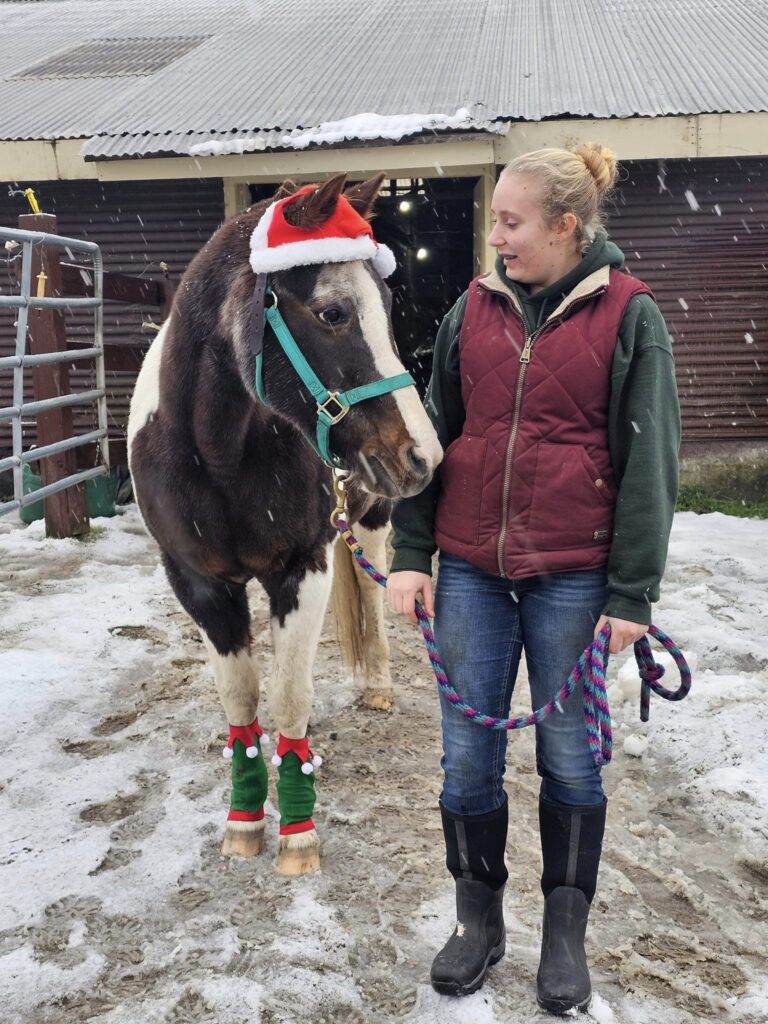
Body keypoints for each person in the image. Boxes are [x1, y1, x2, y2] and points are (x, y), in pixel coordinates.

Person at [386, 144, 680, 1013]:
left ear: (567, 227)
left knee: (569, 760)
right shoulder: (469, 309)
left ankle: (563, 936)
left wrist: (631, 595)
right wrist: (410, 553)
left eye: (512, 223)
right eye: (495, 221)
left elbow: (650, 464)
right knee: (466, 760)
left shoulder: (631, 315)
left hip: (574, 578)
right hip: (472, 569)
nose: (496, 238)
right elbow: (428, 438)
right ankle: (478, 923)